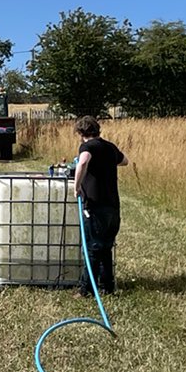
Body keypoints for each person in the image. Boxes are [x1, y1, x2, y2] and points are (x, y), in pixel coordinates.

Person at [71, 116, 126, 294]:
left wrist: (77, 185)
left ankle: (86, 290)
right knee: (105, 248)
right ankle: (107, 287)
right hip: (113, 206)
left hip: (95, 205)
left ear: (80, 133)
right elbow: (124, 161)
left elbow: (84, 161)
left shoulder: (87, 147)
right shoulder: (110, 147)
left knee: (93, 249)